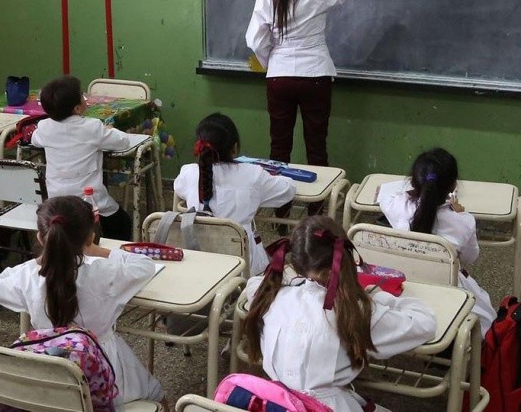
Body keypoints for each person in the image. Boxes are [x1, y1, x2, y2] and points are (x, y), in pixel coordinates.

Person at [243, 214, 436, 412]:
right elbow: (425, 323)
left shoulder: (271, 297)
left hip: (275, 403)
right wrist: (379, 297)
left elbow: (253, 284)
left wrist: (291, 278)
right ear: (344, 257)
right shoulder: (354, 311)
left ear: (296, 260)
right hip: (327, 406)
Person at [0, 196, 164, 406]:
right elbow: (144, 265)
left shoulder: (27, 277)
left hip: (48, 377)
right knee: (156, 394)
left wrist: (41, 259)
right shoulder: (104, 272)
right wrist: (96, 250)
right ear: (90, 237)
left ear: (41, 238)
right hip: (103, 373)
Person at [245, 0, 370, 206]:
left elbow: (255, 41)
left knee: (279, 149)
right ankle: (316, 214)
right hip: (316, 76)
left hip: (279, 78)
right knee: (317, 148)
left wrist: (271, 61)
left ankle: (280, 214)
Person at [377, 147, 497, 335]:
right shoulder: (463, 221)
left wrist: (409, 194)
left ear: (413, 182)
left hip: (404, 286)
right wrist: (460, 213)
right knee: (486, 312)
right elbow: (470, 258)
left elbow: (383, 196)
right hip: (446, 289)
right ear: (453, 186)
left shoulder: (398, 206)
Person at [172, 112, 296, 275]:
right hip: (245, 268)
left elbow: (178, 188)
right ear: (235, 148)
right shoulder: (253, 175)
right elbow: (288, 190)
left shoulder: (189, 173)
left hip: (200, 263)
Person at [30, 75, 134, 241]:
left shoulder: (44, 127)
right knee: (122, 223)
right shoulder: (92, 127)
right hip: (90, 200)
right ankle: (111, 252)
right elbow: (123, 142)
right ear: (77, 108)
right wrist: (110, 129)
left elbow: (34, 139)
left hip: (56, 200)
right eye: (82, 95)